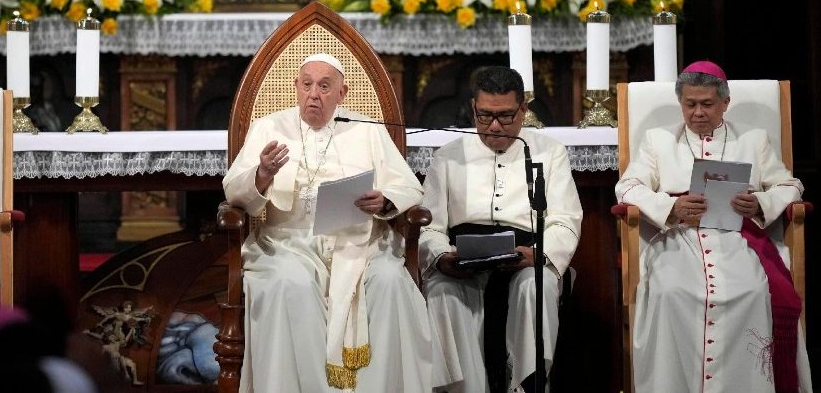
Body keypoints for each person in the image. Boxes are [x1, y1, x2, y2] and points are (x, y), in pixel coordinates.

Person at [222, 53, 432, 392]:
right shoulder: (269, 128)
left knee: (391, 281)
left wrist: (385, 200)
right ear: (296, 87)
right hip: (285, 243)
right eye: (306, 85)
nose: (313, 95)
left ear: (342, 93)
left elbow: (408, 186)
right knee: (288, 284)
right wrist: (262, 174)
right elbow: (233, 192)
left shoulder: (368, 131)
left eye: (324, 86)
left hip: (361, 242)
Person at [615, 61, 812, 392]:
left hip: (736, 239)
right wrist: (670, 207)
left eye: (707, 104)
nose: (697, 113)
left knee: (750, 291)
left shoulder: (754, 140)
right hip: (679, 239)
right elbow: (627, 187)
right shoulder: (658, 141)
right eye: (689, 104)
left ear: (725, 103)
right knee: (670, 291)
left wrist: (761, 204)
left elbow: (790, 186)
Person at [421, 66, 582, 393]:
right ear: (473, 107)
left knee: (535, 288)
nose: (494, 126)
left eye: (506, 116)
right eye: (484, 116)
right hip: (464, 260)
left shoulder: (549, 153)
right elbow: (430, 226)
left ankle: (526, 386)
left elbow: (565, 219)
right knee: (441, 292)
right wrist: (441, 257)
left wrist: (538, 254)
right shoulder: (447, 156)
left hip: (525, 257)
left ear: (524, 109)